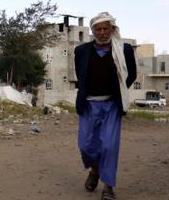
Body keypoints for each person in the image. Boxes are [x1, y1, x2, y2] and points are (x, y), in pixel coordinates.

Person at [74, 12, 137, 200]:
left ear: (112, 29)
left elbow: (130, 75)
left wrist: (118, 91)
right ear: (92, 31)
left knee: (109, 146)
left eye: (106, 28)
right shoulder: (81, 51)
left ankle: (108, 187)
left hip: (111, 105)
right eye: (98, 29)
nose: (102, 32)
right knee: (85, 145)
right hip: (89, 105)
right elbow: (81, 75)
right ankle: (95, 171)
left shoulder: (123, 50)